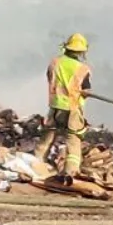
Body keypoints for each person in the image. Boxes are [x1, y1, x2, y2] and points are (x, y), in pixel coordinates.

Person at [35, 33, 92, 183]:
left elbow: (50, 79)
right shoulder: (82, 69)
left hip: (55, 107)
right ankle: (70, 173)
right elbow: (86, 91)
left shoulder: (54, 63)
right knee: (73, 141)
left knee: (46, 138)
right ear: (81, 52)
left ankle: (35, 165)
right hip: (73, 109)